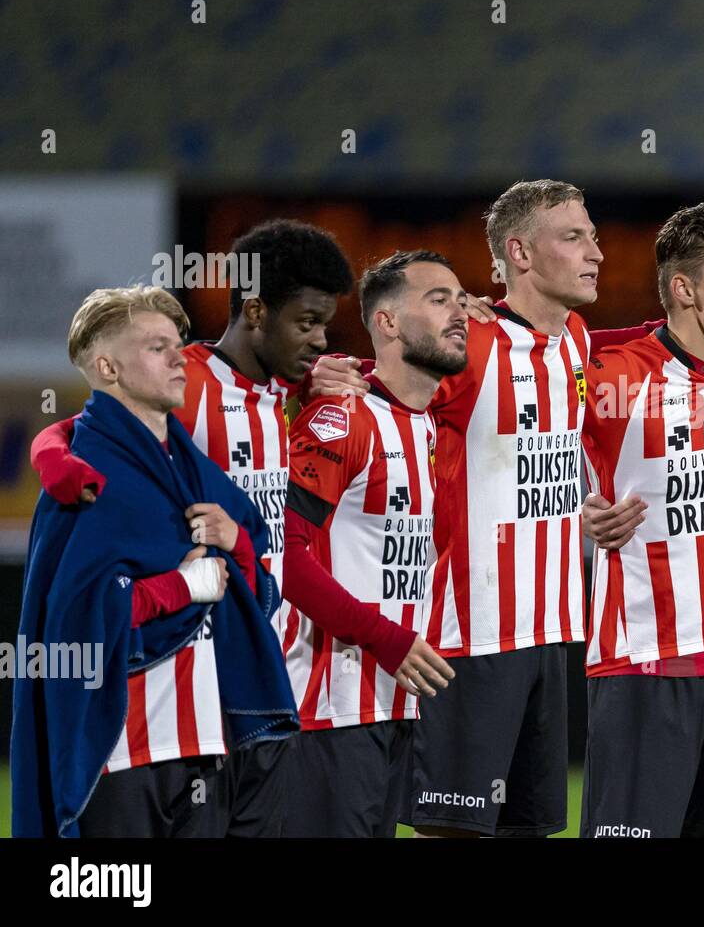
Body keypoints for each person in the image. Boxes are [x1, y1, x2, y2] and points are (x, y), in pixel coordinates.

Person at [28, 219, 368, 836]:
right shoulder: (184, 381)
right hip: (163, 700)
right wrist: (53, 459)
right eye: (307, 322)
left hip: (251, 689)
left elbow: (262, 540)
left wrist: (237, 544)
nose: (320, 340)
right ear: (257, 311)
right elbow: (88, 424)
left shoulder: (281, 403)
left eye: (325, 325)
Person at [12, 286, 296, 837]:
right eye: (156, 347)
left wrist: (236, 541)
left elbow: (258, 587)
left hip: (208, 744)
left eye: (178, 344)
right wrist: (181, 587)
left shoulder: (195, 471)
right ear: (107, 367)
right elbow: (77, 620)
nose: (176, 357)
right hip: (121, 755)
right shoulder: (85, 477)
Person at [579, 203, 704, 837]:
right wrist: (573, 510)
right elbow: (507, 411)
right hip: (644, 665)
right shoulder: (611, 368)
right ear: (684, 289)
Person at [281, 250, 463, 836]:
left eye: (461, 300)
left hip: (393, 705)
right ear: (386, 323)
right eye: (438, 300)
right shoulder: (341, 417)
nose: (458, 313)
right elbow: (280, 556)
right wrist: (384, 638)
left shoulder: (427, 424)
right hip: (326, 710)